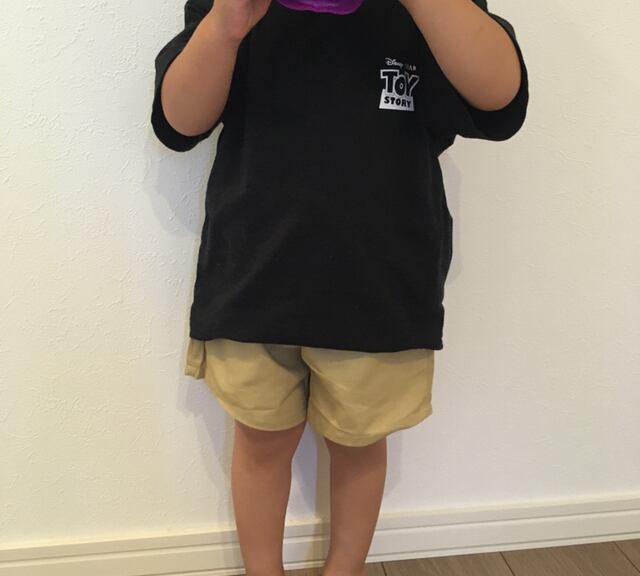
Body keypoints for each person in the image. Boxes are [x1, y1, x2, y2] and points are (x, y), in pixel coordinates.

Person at [150, 0, 529, 574]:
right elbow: (178, 121)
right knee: (260, 439)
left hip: (381, 278)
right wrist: (226, 23)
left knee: (359, 442)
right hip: (254, 273)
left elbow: (500, 99)